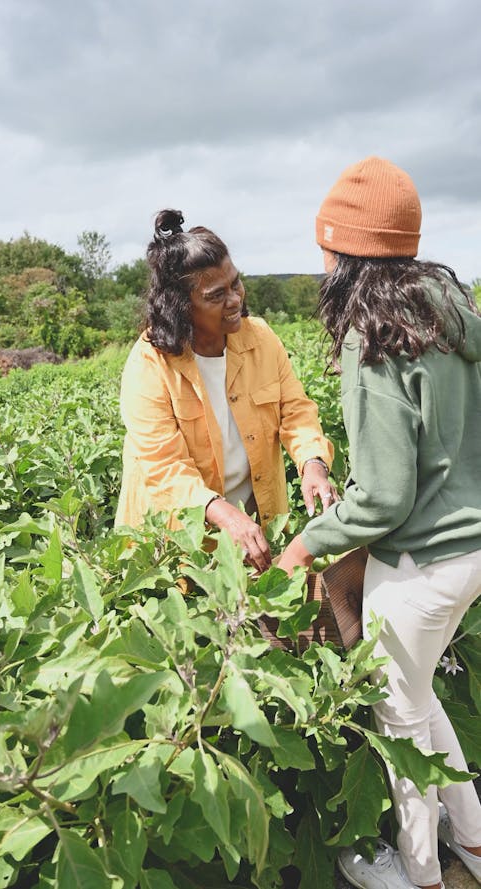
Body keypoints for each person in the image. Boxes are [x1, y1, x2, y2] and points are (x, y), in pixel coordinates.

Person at [277, 157, 481, 889]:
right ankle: (477, 843)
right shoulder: (448, 309)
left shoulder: (374, 336)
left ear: (344, 253)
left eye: (325, 248)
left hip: (422, 561)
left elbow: (387, 495)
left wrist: (307, 541)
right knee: (418, 696)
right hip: (472, 552)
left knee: (397, 723)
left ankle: (422, 873)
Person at [115, 208, 336, 573]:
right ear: (182, 306)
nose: (234, 299)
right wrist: (223, 515)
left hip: (253, 519)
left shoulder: (260, 338)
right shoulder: (149, 365)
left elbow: (295, 411)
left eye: (236, 283)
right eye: (216, 295)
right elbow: (164, 468)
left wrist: (312, 462)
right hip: (177, 541)